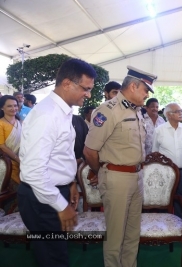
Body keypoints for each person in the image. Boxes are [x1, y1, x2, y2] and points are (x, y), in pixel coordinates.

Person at [17, 58, 96, 267]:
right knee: (54, 258)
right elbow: (34, 172)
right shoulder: (47, 114)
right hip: (41, 197)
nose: (88, 94)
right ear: (67, 83)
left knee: (54, 253)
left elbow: (60, 155)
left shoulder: (62, 111)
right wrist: (60, 206)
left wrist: (70, 183)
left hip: (51, 192)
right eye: (85, 89)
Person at [83, 66, 157, 267]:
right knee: (115, 237)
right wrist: (101, 172)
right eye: (145, 90)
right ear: (133, 86)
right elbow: (89, 151)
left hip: (137, 176)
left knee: (132, 233)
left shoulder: (137, 111)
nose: (146, 95)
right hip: (116, 178)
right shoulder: (108, 110)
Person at [152, 103, 182, 218]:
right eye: (177, 111)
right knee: (163, 197)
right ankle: (162, 225)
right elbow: (155, 153)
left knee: (180, 197)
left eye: (181, 111)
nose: (181, 113)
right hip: (164, 172)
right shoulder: (159, 131)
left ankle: (180, 226)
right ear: (168, 115)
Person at [0, 95, 22, 184]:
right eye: (9, 106)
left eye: (15, 105)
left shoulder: (20, 122)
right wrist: (17, 159)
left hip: (24, 158)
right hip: (8, 162)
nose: (14, 108)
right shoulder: (1, 124)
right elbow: (2, 146)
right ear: (2, 107)